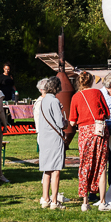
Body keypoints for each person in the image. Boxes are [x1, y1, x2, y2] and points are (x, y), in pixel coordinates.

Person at [70, 71, 111, 211]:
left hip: (84, 133)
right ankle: (102, 201)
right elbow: (107, 113)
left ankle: (85, 202)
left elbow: (72, 121)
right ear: (92, 81)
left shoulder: (75, 97)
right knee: (101, 164)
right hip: (99, 130)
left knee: (85, 165)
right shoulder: (98, 93)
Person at [34, 76, 67, 208]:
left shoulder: (42, 101)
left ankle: (45, 199)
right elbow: (60, 123)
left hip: (44, 137)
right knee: (56, 170)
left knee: (46, 169)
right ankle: (54, 200)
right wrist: (66, 121)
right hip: (54, 137)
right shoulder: (54, 101)